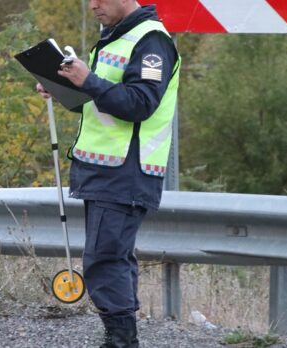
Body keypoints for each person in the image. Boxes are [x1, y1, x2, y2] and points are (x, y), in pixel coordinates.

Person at [36, 0, 180, 347]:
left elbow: (139, 104)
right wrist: (65, 87)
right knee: (112, 256)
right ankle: (121, 338)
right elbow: (105, 102)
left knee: (105, 258)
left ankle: (120, 341)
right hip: (103, 169)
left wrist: (89, 80)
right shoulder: (115, 38)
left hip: (126, 170)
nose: (93, 5)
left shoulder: (151, 41)